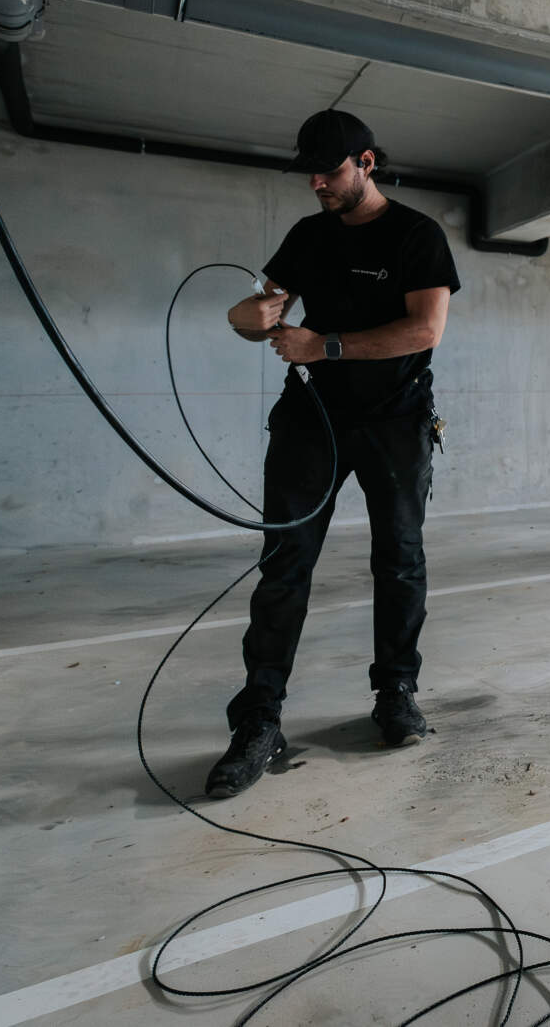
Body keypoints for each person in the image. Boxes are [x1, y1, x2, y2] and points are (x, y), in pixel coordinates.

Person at [206, 110, 461, 799]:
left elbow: (425, 328)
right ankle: (259, 719)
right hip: (313, 416)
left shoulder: (417, 235)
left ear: (367, 162)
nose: (318, 182)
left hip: (397, 419)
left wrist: (327, 344)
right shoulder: (308, 236)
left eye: (332, 170)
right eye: (311, 172)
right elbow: (261, 309)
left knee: (399, 557)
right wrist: (247, 318)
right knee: (285, 562)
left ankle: (396, 692)